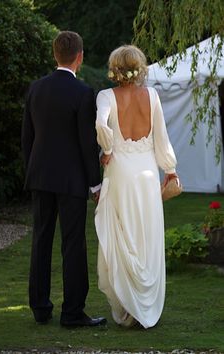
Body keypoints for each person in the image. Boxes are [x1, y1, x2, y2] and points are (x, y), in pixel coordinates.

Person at [22, 30, 106, 327]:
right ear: (79, 57)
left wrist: (30, 172)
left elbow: (27, 139)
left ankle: (40, 308)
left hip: (40, 177)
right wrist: (95, 184)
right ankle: (72, 312)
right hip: (71, 181)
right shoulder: (83, 93)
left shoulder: (36, 88)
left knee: (41, 240)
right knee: (73, 243)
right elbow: (87, 144)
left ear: (55, 54)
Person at [95, 45, 178, 328]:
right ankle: (143, 302)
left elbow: (101, 123)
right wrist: (169, 169)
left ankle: (129, 306)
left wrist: (106, 148)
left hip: (120, 171)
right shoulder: (152, 95)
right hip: (146, 173)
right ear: (139, 67)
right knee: (145, 236)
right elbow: (162, 139)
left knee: (123, 235)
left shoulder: (106, 96)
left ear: (115, 68)